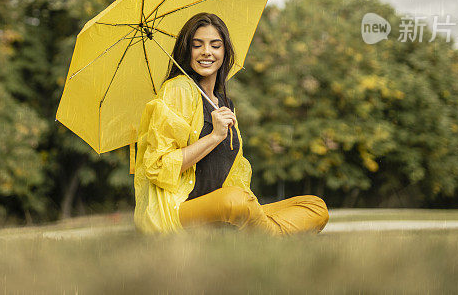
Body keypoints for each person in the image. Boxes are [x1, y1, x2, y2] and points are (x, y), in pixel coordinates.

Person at [133, 12, 329, 235]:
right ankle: (269, 238)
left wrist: (251, 209)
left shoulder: (225, 104)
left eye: (215, 45)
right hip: (181, 211)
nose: (207, 51)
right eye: (198, 45)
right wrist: (214, 137)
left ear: (225, 52)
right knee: (234, 201)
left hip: (225, 210)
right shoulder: (178, 90)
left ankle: (260, 233)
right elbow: (158, 166)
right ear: (187, 51)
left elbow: (234, 176)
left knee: (314, 206)